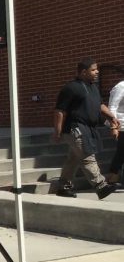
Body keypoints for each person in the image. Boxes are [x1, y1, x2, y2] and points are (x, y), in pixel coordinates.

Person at [53, 58, 120, 199]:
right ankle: (101, 186)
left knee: (73, 159)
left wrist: (111, 117)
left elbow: (99, 105)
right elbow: (60, 111)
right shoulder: (71, 88)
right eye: (93, 70)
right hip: (74, 128)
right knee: (87, 156)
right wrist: (57, 132)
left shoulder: (93, 87)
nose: (97, 72)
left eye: (97, 69)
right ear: (84, 72)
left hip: (88, 128)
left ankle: (63, 187)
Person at [104, 78, 124, 184]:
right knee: (121, 151)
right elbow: (112, 106)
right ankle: (113, 176)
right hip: (121, 124)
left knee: (121, 152)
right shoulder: (121, 87)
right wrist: (114, 127)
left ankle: (113, 175)